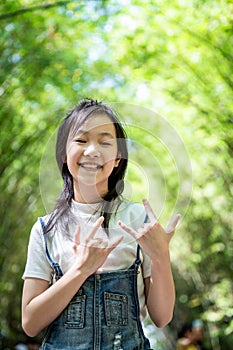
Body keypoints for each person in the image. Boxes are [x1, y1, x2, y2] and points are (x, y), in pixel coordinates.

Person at [21, 98, 181, 349]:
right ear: (64, 153)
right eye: (81, 140)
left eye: (105, 142)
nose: (92, 150)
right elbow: (30, 323)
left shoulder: (140, 221)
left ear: (117, 158)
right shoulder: (45, 229)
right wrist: (81, 269)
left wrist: (161, 257)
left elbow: (162, 317)